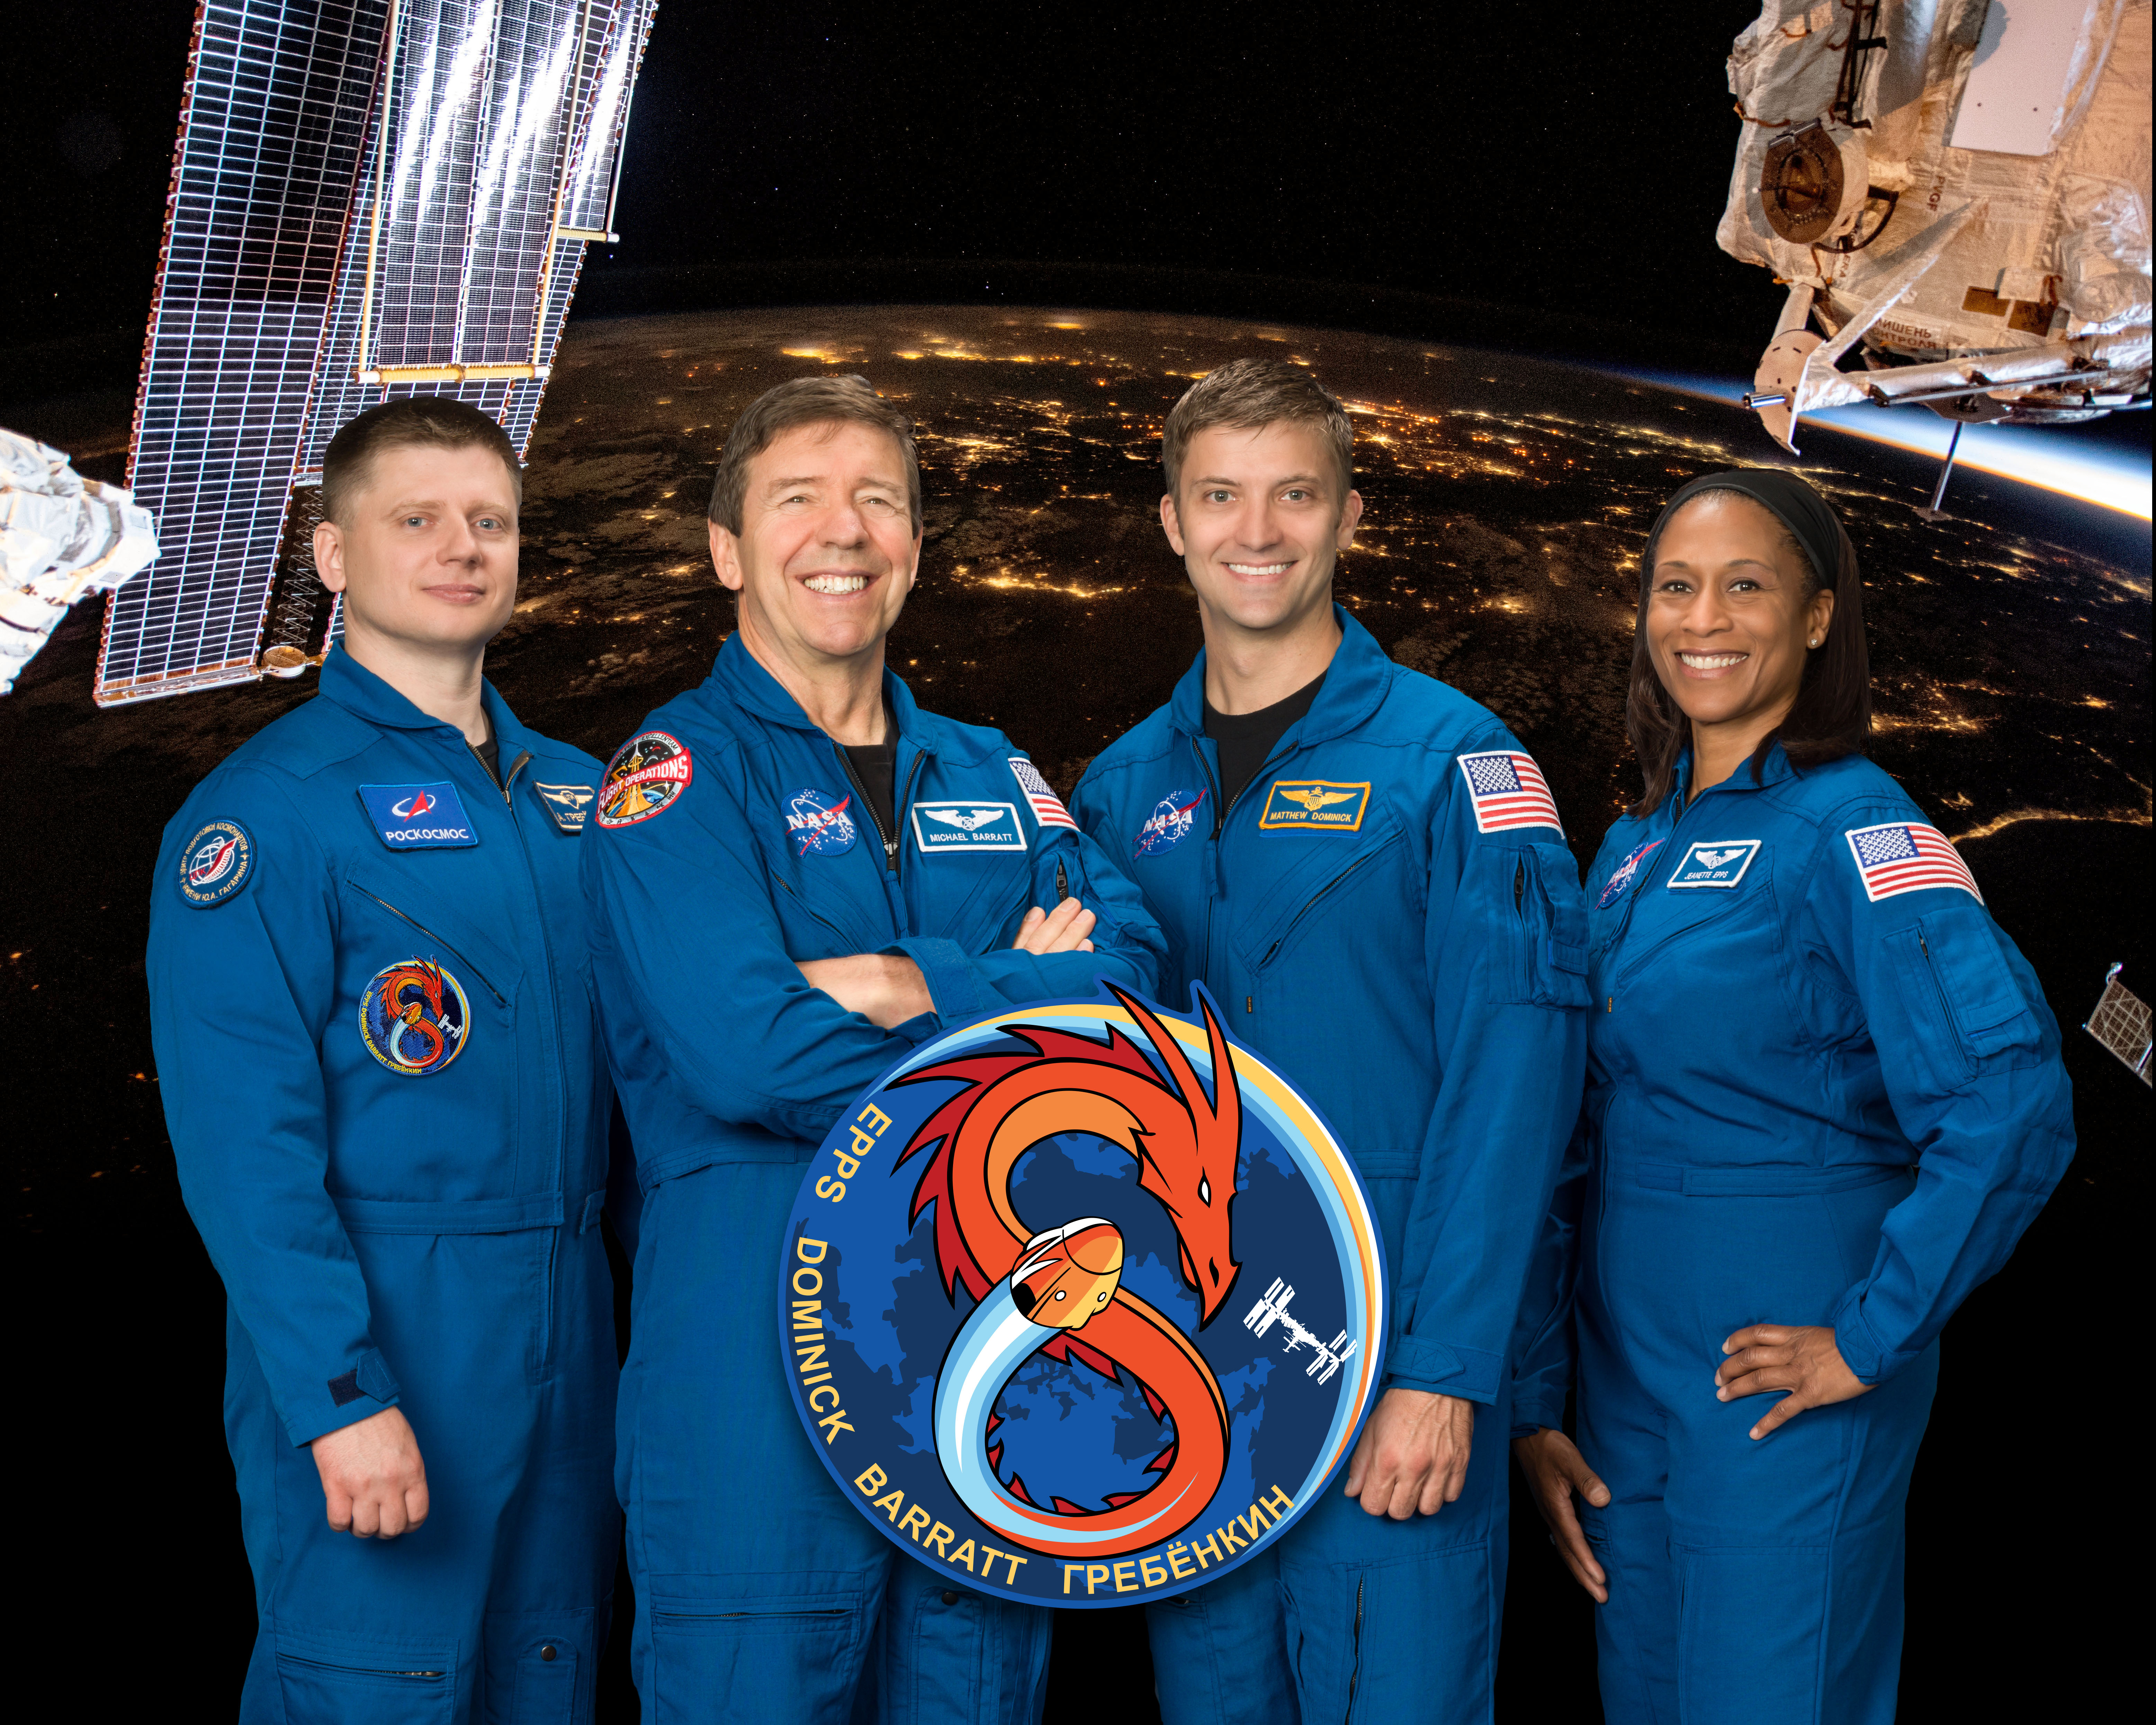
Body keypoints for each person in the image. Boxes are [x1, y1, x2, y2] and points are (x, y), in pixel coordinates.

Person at [581, 374, 1166, 1723]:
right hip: (755, 1392)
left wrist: (913, 979)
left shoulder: (991, 767)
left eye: (879, 502)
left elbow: (1131, 974)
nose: (842, 531)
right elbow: (752, 1057)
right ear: (728, 549)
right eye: (798, 500)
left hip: (984, 1371)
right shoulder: (671, 777)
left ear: (913, 547)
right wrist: (1031, 999)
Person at [1068, 357, 1590, 1724]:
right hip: (1190, 1379)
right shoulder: (1120, 788)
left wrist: (1447, 1369)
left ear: (1349, 516)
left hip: (1388, 1374)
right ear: (1173, 521)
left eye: (1295, 495)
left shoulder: (1458, 766)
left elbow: (1517, 1088)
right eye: (1222, 496)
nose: (1259, 531)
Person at [1510, 469, 2076, 1723]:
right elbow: (1572, 1131)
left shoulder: (1855, 835)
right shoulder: (1632, 849)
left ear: (1817, 618)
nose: (1702, 618)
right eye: (1674, 586)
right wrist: (1538, 1397)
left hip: (1778, 1381)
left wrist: (1870, 1336)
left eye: (1745, 584)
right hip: (1625, 1386)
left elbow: (2010, 1098)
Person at [147, 396, 622, 1719]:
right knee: (374, 1686)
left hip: (572, 1317)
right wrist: (339, 1396)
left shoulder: (584, 800)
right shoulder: (264, 815)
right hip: (395, 1323)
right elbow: (247, 1150)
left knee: (545, 1676)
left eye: (490, 522)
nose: (461, 547)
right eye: (416, 519)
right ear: (335, 555)